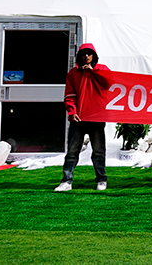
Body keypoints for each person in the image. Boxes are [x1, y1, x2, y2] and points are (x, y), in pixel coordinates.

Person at [55, 43, 111, 192]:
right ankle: (66, 181)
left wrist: (94, 72)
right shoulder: (73, 73)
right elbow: (69, 94)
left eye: (89, 53)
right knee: (72, 151)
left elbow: (109, 85)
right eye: (83, 53)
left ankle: (101, 179)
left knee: (98, 151)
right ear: (79, 56)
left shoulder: (102, 69)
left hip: (96, 118)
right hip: (78, 118)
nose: (86, 56)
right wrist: (72, 111)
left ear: (94, 55)